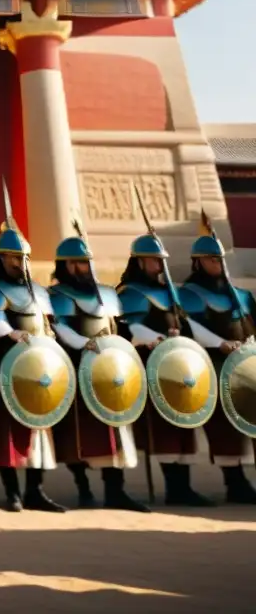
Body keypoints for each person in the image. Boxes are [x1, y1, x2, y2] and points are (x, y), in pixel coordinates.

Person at [48, 234, 148, 512]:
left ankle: (116, 491)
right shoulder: (57, 296)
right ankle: (84, 489)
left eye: (85, 262)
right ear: (64, 265)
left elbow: (122, 327)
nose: (82, 268)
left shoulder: (107, 293)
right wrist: (84, 343)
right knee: (77, 435)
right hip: (77, 366)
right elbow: (60, 328)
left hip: (111, 369)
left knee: (114, 430)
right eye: (75, 263)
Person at [117, 234, 214, 506]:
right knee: (164, 429)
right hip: (153, 365)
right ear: (139, 261)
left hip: (179, 365)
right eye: (153, 260)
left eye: (161, 260)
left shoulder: (170, 292)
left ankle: (184, 486)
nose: (158, 265)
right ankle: (174, 487)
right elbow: (133, 328)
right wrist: (156, 339)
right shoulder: (130, 292)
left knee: (183, 425)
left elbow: (189, 326)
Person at [0, 221, 66, 512]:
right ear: (1, 258)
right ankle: (12, 492)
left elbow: (50, 326)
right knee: (8, 431)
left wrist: (52, 346)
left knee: (39, 430)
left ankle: (35, 491)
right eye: (14, 257)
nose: (19, 262)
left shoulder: (40, 292)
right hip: (8, 366)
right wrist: (11, 333)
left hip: (40, 367)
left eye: (24, 257)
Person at [178, 216, 256, 503]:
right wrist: (220, 344)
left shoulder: (242, 295)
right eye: (211, 259)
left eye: (220, 259)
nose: (218, 264)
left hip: (248, 365)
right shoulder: (188, 295)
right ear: (198, 262)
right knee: (225, 428)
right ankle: (234, 482)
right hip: (215, 366)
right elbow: (192, 328)